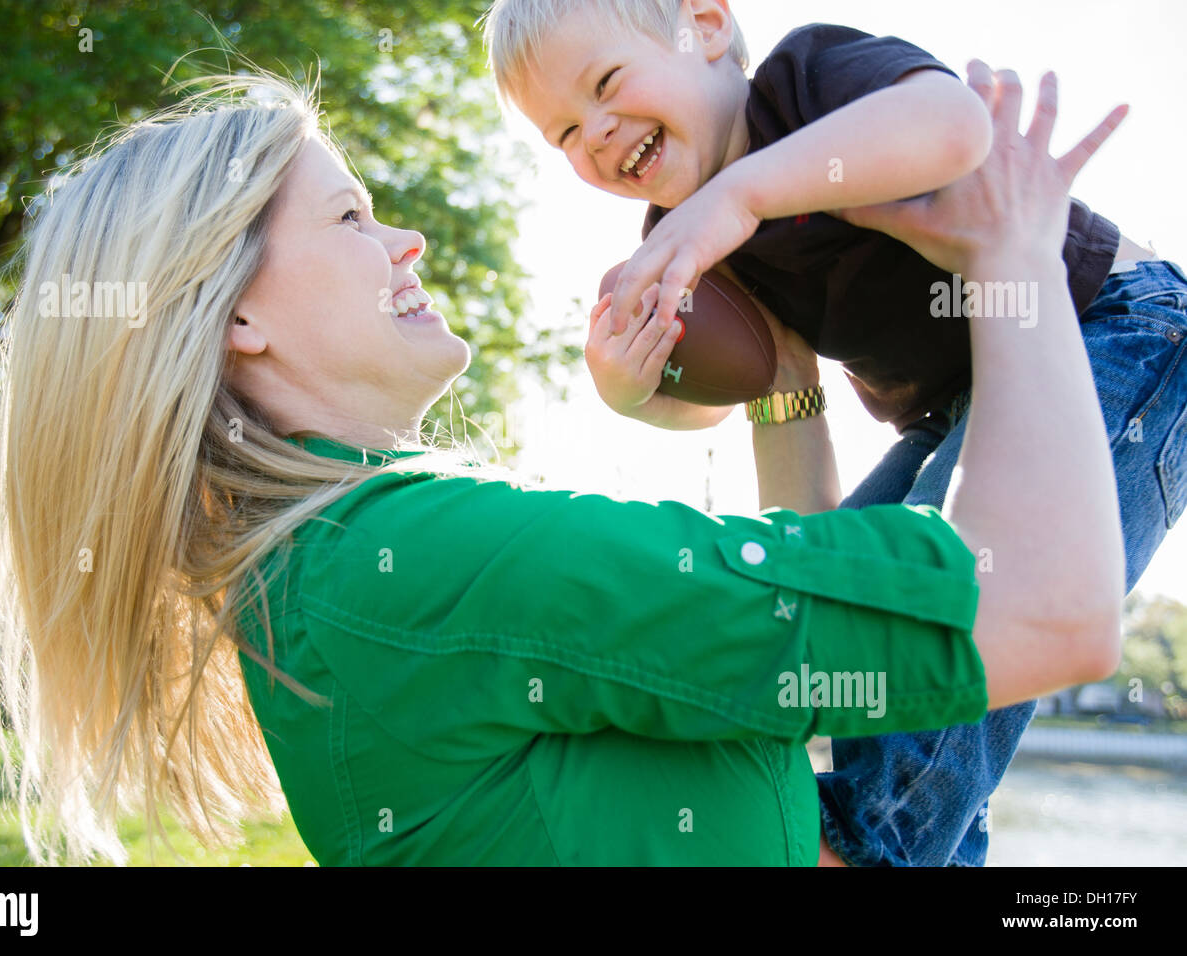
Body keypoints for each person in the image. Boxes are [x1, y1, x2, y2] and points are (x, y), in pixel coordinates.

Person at [0, 63, 1120, 866]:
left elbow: (803, 684)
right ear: (236, 319)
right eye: (349, 216)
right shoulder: (429, 563)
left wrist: (787, 379)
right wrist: (1013, 254)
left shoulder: (318, 583)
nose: (407, 236)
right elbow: (1045, 610)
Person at [482, 0, 1187, 865]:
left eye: (606, 84)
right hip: (960, 410)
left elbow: (950, 124)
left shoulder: (803, 84)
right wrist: (635, 395)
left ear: (704, 27)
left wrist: (742, 195)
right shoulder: (690, 236)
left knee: (950, 600)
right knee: (841, 590)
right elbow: (748, 392)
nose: (594, 134)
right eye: (563, 134)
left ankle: (863, 842)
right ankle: (919, 840)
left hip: (1113, 327)